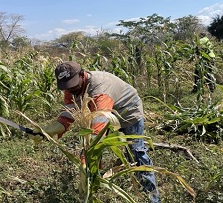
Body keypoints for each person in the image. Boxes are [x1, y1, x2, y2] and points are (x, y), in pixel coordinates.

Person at [30, 61, 160, 203]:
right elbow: (67, 116)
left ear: (82, 75)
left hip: (128, 112)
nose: (70, 90)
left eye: (73, 84)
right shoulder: (70, 89)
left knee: (136, 153)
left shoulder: (100, 90)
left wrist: (85, 160)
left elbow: (97, 132)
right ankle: (94, 184)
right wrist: (46, 131)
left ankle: (152, 198)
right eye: (66, 86)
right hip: (105, 114)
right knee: (93, 151)